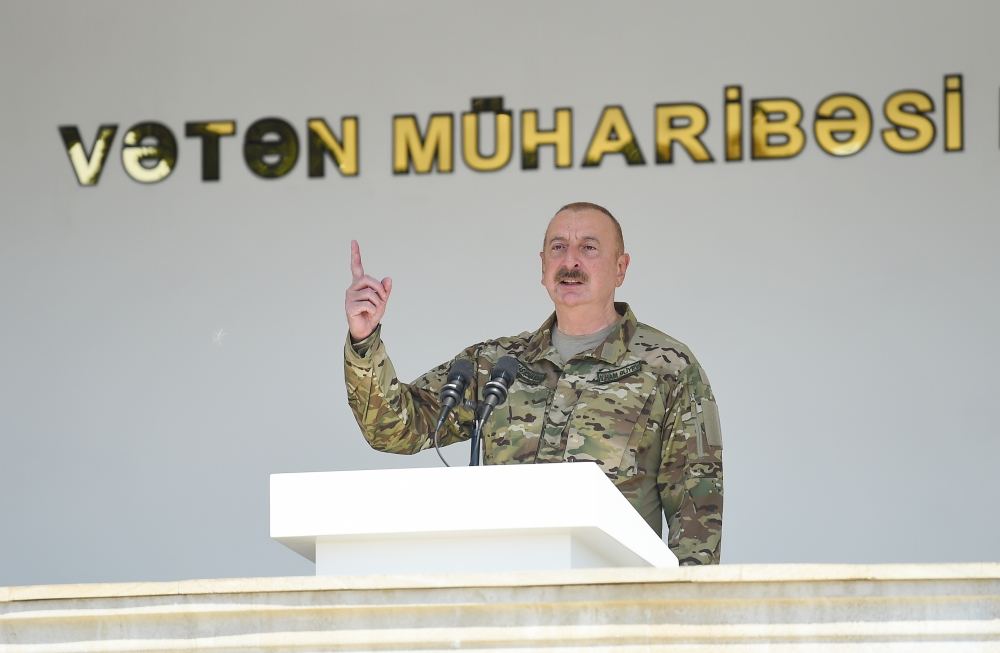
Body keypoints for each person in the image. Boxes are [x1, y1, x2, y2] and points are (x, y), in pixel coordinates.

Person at [343, 202, 723, 565]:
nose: (570, 261)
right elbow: (394, 428)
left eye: (588, 248)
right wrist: (364, 339)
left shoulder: (666, 367)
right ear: (542, 267)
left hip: (611, 597)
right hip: (504, 590)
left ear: (620, 268)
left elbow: (697, 513)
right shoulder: (495, 364)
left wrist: (680, 602)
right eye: (558, 247)